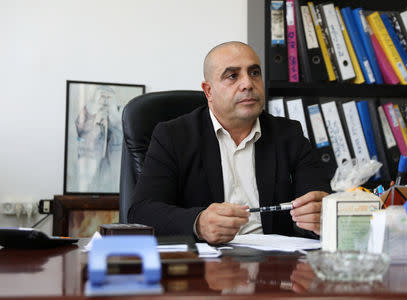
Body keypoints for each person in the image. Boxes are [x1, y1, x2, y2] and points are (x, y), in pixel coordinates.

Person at [129, 41, 331, 244]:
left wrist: (321, 216)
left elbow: (318, 202)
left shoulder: (288, 135)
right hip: (205, 266)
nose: (248, 84)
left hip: (275, 266)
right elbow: (142, 212)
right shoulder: (173, 136)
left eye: (254, 73)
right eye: (232, 76)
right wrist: (198, 223)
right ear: (208, 91)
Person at [75, 86, 122, 192]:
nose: (105, 100)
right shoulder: (86, 114)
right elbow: (81, 136)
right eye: (102, 96)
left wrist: (114, 118)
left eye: (109, 97)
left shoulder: (120, 115)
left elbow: (124, 137)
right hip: (91, 159)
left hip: (115, 161)